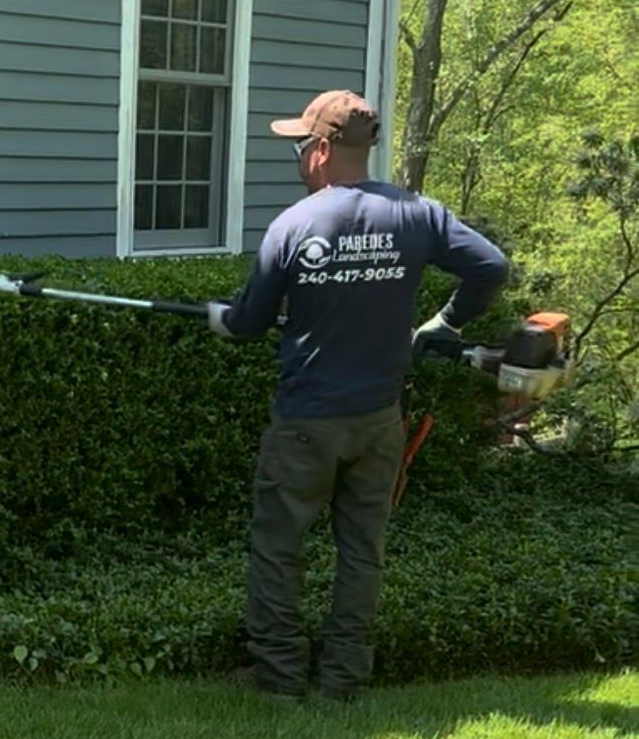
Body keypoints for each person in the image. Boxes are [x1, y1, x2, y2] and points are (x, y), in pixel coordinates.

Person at [207, 90, 509, 703]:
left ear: (320, 149)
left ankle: (278, 677)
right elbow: (491, 267)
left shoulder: (294, 225)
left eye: (299, 145)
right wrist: (444, 323)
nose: (297, 156)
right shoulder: (417, 214)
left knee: (278, 550)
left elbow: (248, 324)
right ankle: (342, 682)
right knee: (361, 553)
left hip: (304, 424)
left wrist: (223, 319)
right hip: (378, 420)